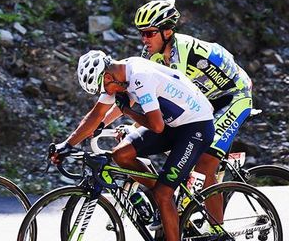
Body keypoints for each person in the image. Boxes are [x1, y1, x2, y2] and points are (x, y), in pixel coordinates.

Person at [104, 0, 253, 223]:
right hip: (204, 99)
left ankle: (217, 230)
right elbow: (138, 95)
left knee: (205, 162)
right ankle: (173, 201)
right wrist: (102, 124)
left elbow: (172, 102)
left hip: (233, 96)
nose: (144, 39)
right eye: (141, 33)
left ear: (167, 31)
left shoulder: (180, 53)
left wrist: (135, 123)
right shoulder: (151, 55)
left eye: (149, 33)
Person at [52, 51, 214, 241]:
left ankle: (163, 196)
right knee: (121, 155)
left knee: (163, 194)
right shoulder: (122, 74)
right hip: (174, 125)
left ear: (107, 76)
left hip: (196, 127)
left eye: (103, 87)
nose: (106, 92)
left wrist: (127, 111)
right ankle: (162, 195)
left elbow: (156, 125)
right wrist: (67, 144)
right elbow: (96, 115)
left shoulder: (140, 77)